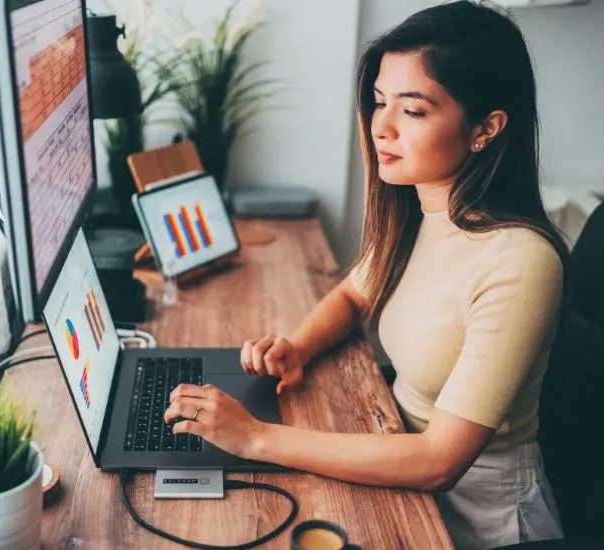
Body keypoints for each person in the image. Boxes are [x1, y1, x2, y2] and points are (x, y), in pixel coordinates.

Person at [163, 1, 571, 548]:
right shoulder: (421, 209)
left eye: (414, 112)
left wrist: (257, 439)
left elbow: (438, 460)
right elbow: (357, 293)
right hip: (401, 463)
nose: (381, 126)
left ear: (486, 128)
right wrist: (298, 346)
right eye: (379, 103)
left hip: (477, 518)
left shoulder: (519, 261)